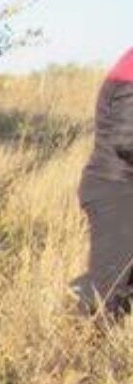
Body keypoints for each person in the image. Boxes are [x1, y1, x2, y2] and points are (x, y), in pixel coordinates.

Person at [73, 48, 133, 316]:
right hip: (117, 191)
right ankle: (75, 347)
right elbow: (127, 139)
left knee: (115, 281)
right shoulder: (130, 73)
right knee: (106, 293)